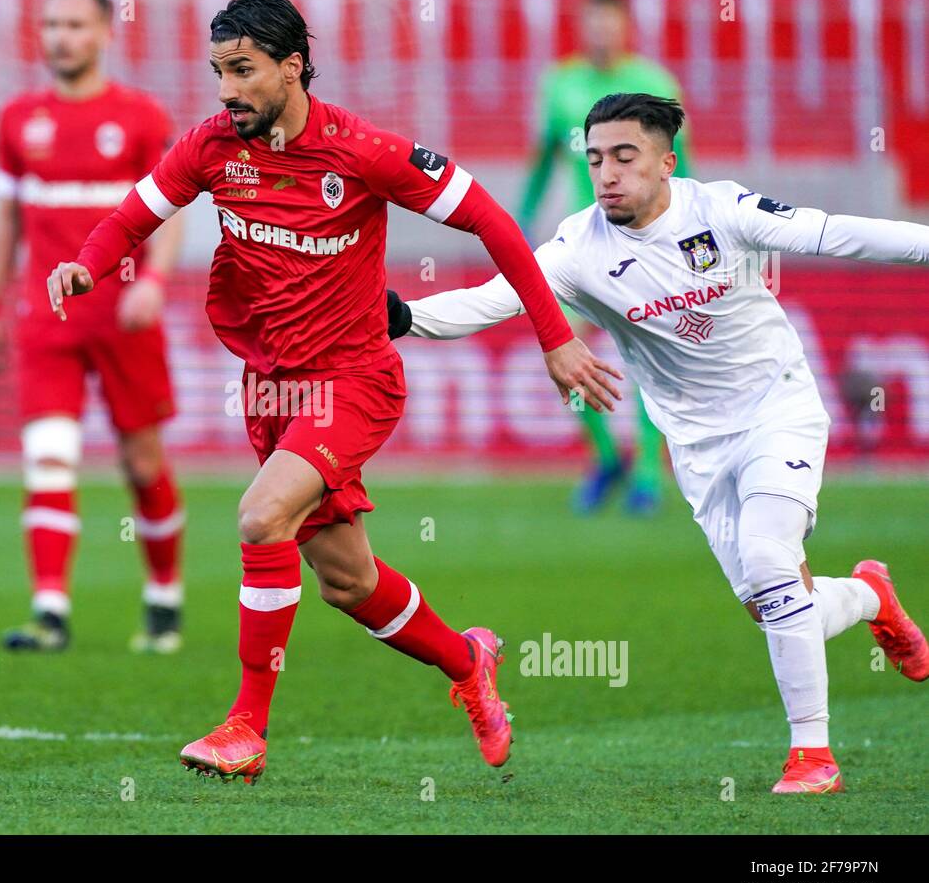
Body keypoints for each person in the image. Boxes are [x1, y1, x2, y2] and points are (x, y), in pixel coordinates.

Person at [46, 0, 622, 783]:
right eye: (217, 71)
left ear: (291, 68)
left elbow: (491, 219)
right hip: (270, 391)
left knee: (258, 517)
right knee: (348, 582)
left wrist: (555, 338)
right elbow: (139, 210)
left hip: (354, 381)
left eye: (242, 71)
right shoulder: (215, 146)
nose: (225, 90)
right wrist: (89, 259)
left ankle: (246, 728)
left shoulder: (363, 151)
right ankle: (468, 664)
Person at [391, 93, 929, 793]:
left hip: (778, 410)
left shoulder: (720, 210)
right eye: (593, 160)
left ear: (665, 162)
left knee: (771, 563)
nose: (606, 173)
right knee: (777, 606)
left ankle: (812, 756)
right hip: (699, 449)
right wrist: (395, 315)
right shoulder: (579, 247)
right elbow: (493, 298)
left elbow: (834, 233)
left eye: (624, 156)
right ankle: (869, 596)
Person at [0, 0, 187, 654]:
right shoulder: (18, 120)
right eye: (51, 25)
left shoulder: (140, 117)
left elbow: (170, 209)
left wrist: (153, 278)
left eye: (74, 25)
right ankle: (50, 613)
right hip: (47, 318)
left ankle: (163, 597)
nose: (60, 37)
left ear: (103, 34)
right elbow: (5, 220)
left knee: (141, 459)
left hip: (124, 315)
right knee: (48, 458)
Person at [518, 0, 693, 516]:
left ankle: (645, 473)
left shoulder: (655, 85)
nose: (601, 33)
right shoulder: (561, 85)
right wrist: (518, 227)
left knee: (645, 363)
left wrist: (689, 236)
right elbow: (543, 160)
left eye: (609, 24)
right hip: (583, 248)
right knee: (561, 353)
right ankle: (605, 456)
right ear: (582, 27)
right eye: (592, 24)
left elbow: (681, 168)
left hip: (648, 244)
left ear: (625, 27)